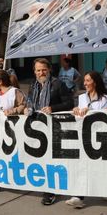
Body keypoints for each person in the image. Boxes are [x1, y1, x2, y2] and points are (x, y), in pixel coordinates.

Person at [26, 58, 74, 205]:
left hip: (56, 128)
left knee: (53, 160)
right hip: (38, 129)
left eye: (44, 70)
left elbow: (70, 103)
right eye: (38, 70)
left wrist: (53, 108)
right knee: (42, 160)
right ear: (34, 72)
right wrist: (27, 108)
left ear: (49, 70)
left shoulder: (58, 84)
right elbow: (29, 101)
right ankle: (49, 187)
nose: (41, 73)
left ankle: (50, 191)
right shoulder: (33, 86)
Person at [66, 71, 107, 209]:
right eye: (84, 81)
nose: (85, 83)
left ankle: (105, 189)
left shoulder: (105, 99)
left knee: (99, 167)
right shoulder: (81, 98)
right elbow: (79, 113)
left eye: (88, 81)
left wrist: (89, 111)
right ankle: (78, 196)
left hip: (99, 137)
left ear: (95, 82)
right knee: (82, 166)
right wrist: (75, 109)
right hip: (84, 136)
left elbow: (104, 117)